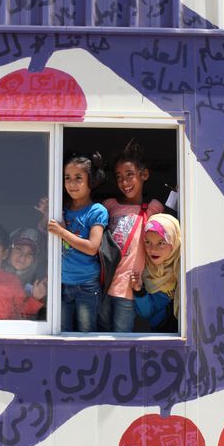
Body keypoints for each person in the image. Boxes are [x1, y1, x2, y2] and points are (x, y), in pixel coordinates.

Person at [98, 140, 163, 332]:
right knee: (98, 335)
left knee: (121, 341)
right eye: (119, 177)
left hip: (127, 291)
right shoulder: (109, 205)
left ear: (144, 175)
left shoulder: (153, 208)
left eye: (130, 175)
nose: (124, 182)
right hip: (102, 285)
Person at [47, 153, 108, 332]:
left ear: (91, 181)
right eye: (67, 178)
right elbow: (52, 237)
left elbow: (92, 248)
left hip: (86, 285)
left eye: (78, 178)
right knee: (63, 332)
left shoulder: (97, 210)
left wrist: (62, 231)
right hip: (63, 283)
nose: (71, 183)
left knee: (86, 334)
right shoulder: (62, 209)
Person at [128, 213, 181, 333]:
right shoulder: (142, 267)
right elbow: (146, 312)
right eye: (147, 242)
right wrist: (139, 291)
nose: (153, 249)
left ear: (174, 242)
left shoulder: (184, 266)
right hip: (161, 333)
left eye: (161, 243)